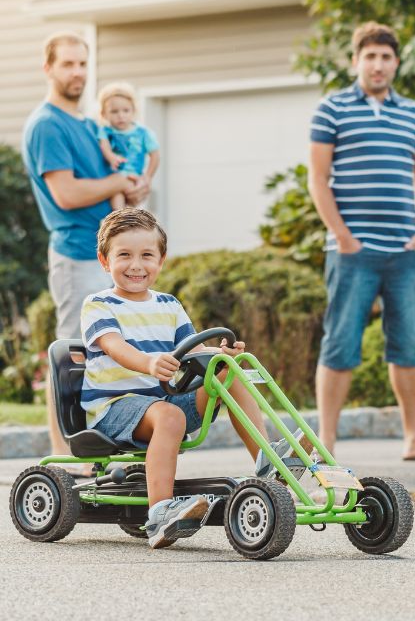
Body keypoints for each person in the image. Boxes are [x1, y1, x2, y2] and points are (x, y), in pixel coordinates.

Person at [81, 208, 289, 548]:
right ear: (105, 261)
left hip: (164, 403)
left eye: (147, 255)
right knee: (170, 414)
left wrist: (220, 356)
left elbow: (192, 352)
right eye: (125, 256)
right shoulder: (99, 304)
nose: (136, 265)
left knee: (227, 375)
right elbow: (115, 347)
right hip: (115, 408)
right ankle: (160, 513)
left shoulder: (169, 304)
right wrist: (148, 362)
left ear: (161, 261)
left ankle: (267, 460)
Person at [308, 21, 415, 462]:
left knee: (409, 345)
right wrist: (342, 236)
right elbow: (318, 180)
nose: (378, 65)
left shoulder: (412, 114)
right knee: (340, 344)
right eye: (370, 56)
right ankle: (326, 444)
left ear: (396, 62)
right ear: (355, 60)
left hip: (404, 252)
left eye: (386, 57)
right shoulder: (331, 109)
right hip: (351, 251)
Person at [22, 32, 148, 465]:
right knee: (71, 356)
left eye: (82, 64)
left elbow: (111, 182)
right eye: (67, 64)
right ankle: (64, 460)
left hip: (108, 254)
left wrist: (133, 187)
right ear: (49, 68)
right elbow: (67, 194)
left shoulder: (89, 124)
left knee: (108, 356)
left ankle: (102, 454)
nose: (77, 72)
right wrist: (116, 184)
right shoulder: (47, 125)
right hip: (76, 253)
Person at [96, 82, 160, 210]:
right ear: (104, 114)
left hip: (133, 176)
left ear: (133, 111)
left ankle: (127, 220)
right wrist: (111, 157)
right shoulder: (105, 131)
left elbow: (155, 155)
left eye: (126, 110)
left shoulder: (143, 133)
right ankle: (120, 219)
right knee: (116, 196)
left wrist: (148, 176)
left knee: (133, 197)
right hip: (113, 177)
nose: (121, 116)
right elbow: (104, 146)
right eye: (114, 111)